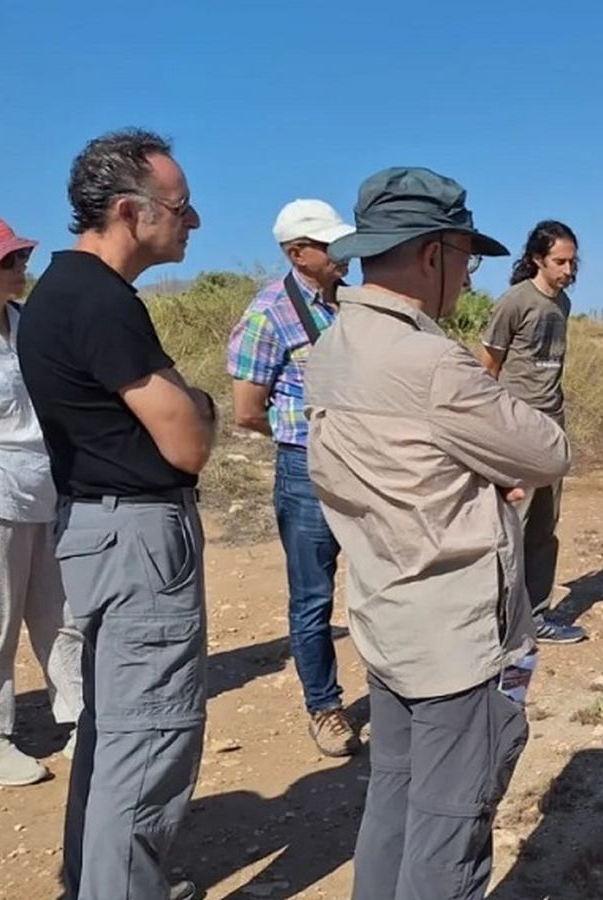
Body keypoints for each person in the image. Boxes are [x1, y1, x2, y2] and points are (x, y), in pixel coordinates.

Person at [304, 167, 570, 900]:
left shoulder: (334, 346)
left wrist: (475, 472)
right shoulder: (431, 363)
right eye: (466, 258)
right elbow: (548, 451)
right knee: (451, 826)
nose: (466, 276)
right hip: (457, 638)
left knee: (394, 796)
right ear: (433, 255)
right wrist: (491, 473)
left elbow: (395, 472)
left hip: (386, 616)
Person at [17, 128, 213, 900]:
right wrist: (193, 401)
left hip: (100, 530)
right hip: (137, 538)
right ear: (132, 211)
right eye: (181, 207)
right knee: (149, 741)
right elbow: (190, 439)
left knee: (114, 732)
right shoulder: (100, 303)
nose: (192, 221)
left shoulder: (61, 295)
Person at [226, 199, 360, 757]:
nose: (343, 255)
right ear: (297, 253)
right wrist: (303, 441)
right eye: (331, 246)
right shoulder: (267, 314)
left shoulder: (351, 304)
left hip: (362, 465)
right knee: (312, 597)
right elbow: (247, 410)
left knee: (380, 579)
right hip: (306, 469)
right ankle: (324, 707)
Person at [0, 212, 84, 786]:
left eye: (21, 255)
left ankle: (81, 716)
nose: (20, 266)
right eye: (7, 259)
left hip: (41, 483)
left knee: (62, 615)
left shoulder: (23, 319)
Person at [477, 220, 586, 643]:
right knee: (511, 527)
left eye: (573, 261)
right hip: (515, 428)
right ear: (537, 259)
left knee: (544, 526)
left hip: (551, 427)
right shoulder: (514, 302)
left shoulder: (563, 305)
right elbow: (487, 368)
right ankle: (500, 620)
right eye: (560, 261)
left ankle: (536, 615)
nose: (568, 270)